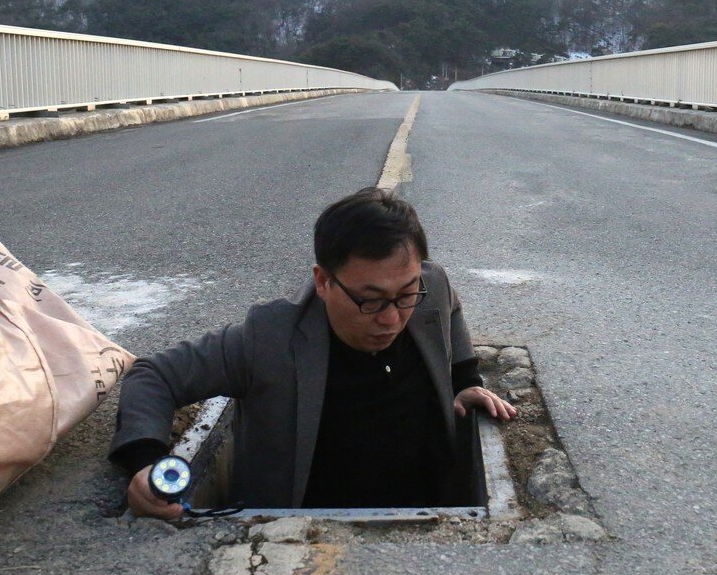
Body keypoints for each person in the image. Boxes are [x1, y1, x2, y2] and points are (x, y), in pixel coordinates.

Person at [109, 187, 516, 520]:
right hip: (303, 538)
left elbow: (450, 309)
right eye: (370, 301)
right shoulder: (269, 338)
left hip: (429, 521)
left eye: (406, 295)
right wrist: (145, 463)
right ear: (323, 282)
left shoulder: (431, 288)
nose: (392, 319)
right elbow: (154, 375)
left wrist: (463, 380)